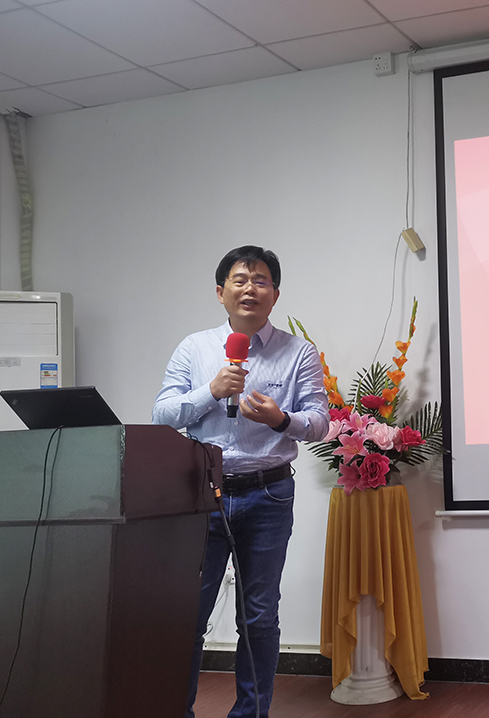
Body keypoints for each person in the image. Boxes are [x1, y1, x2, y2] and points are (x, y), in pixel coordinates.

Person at [153, 246, 329, 718]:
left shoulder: (299, 353)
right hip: (201, 494)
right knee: (189, 615)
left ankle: (251, 714)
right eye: (240, 279)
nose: (250, 288)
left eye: (261, 280)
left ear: (275, 294)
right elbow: (163, 414)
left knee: (259, 617)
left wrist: (281, 419)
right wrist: (210, 392)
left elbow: (320, 422)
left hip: (268, 494)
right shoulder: (194, 348)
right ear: (220, 292)